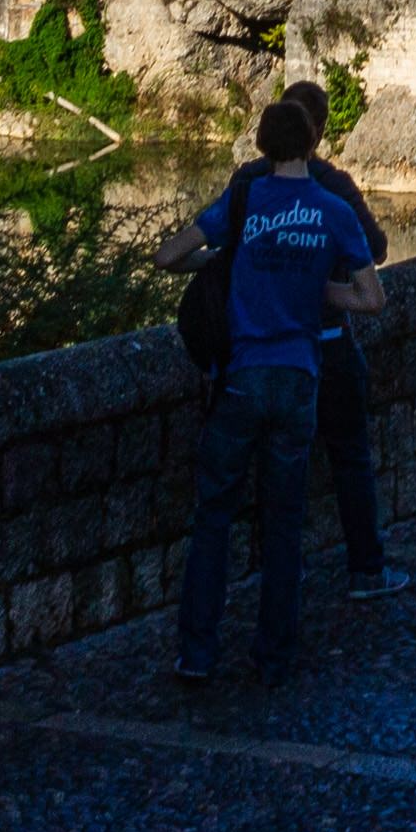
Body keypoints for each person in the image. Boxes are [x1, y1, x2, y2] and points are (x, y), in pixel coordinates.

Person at [155, 99, 384, 681]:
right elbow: (371, 298)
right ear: (312, 143)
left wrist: (225, 260)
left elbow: (167, 256)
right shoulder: (334, 210)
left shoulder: (244, 199)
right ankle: (274, 656)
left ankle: (197, 653)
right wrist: (316, 290)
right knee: (284, 522)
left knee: (214, 515)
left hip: (242, 378)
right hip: (300, 377)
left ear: (261, 147)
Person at [266, 81, 412, 601]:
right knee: (350, 457)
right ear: (319, 130)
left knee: (281, 462)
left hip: (265, 345)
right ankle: (366, 570)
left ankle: (285, 569)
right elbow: (376, 249)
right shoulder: (333, 185)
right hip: (327, 340)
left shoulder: (251, 181)